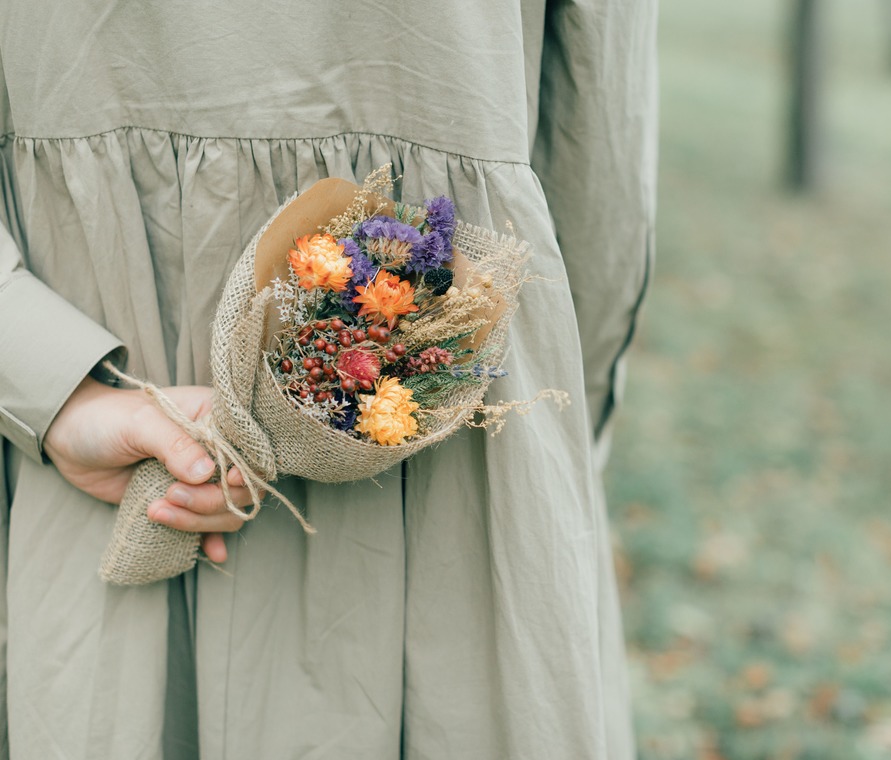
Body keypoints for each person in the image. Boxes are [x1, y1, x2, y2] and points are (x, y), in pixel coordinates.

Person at [0, 1, 657, 758]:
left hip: (79, 440)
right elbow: (599, 161)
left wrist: (42, 372)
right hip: (447, 492)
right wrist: (565, 445)